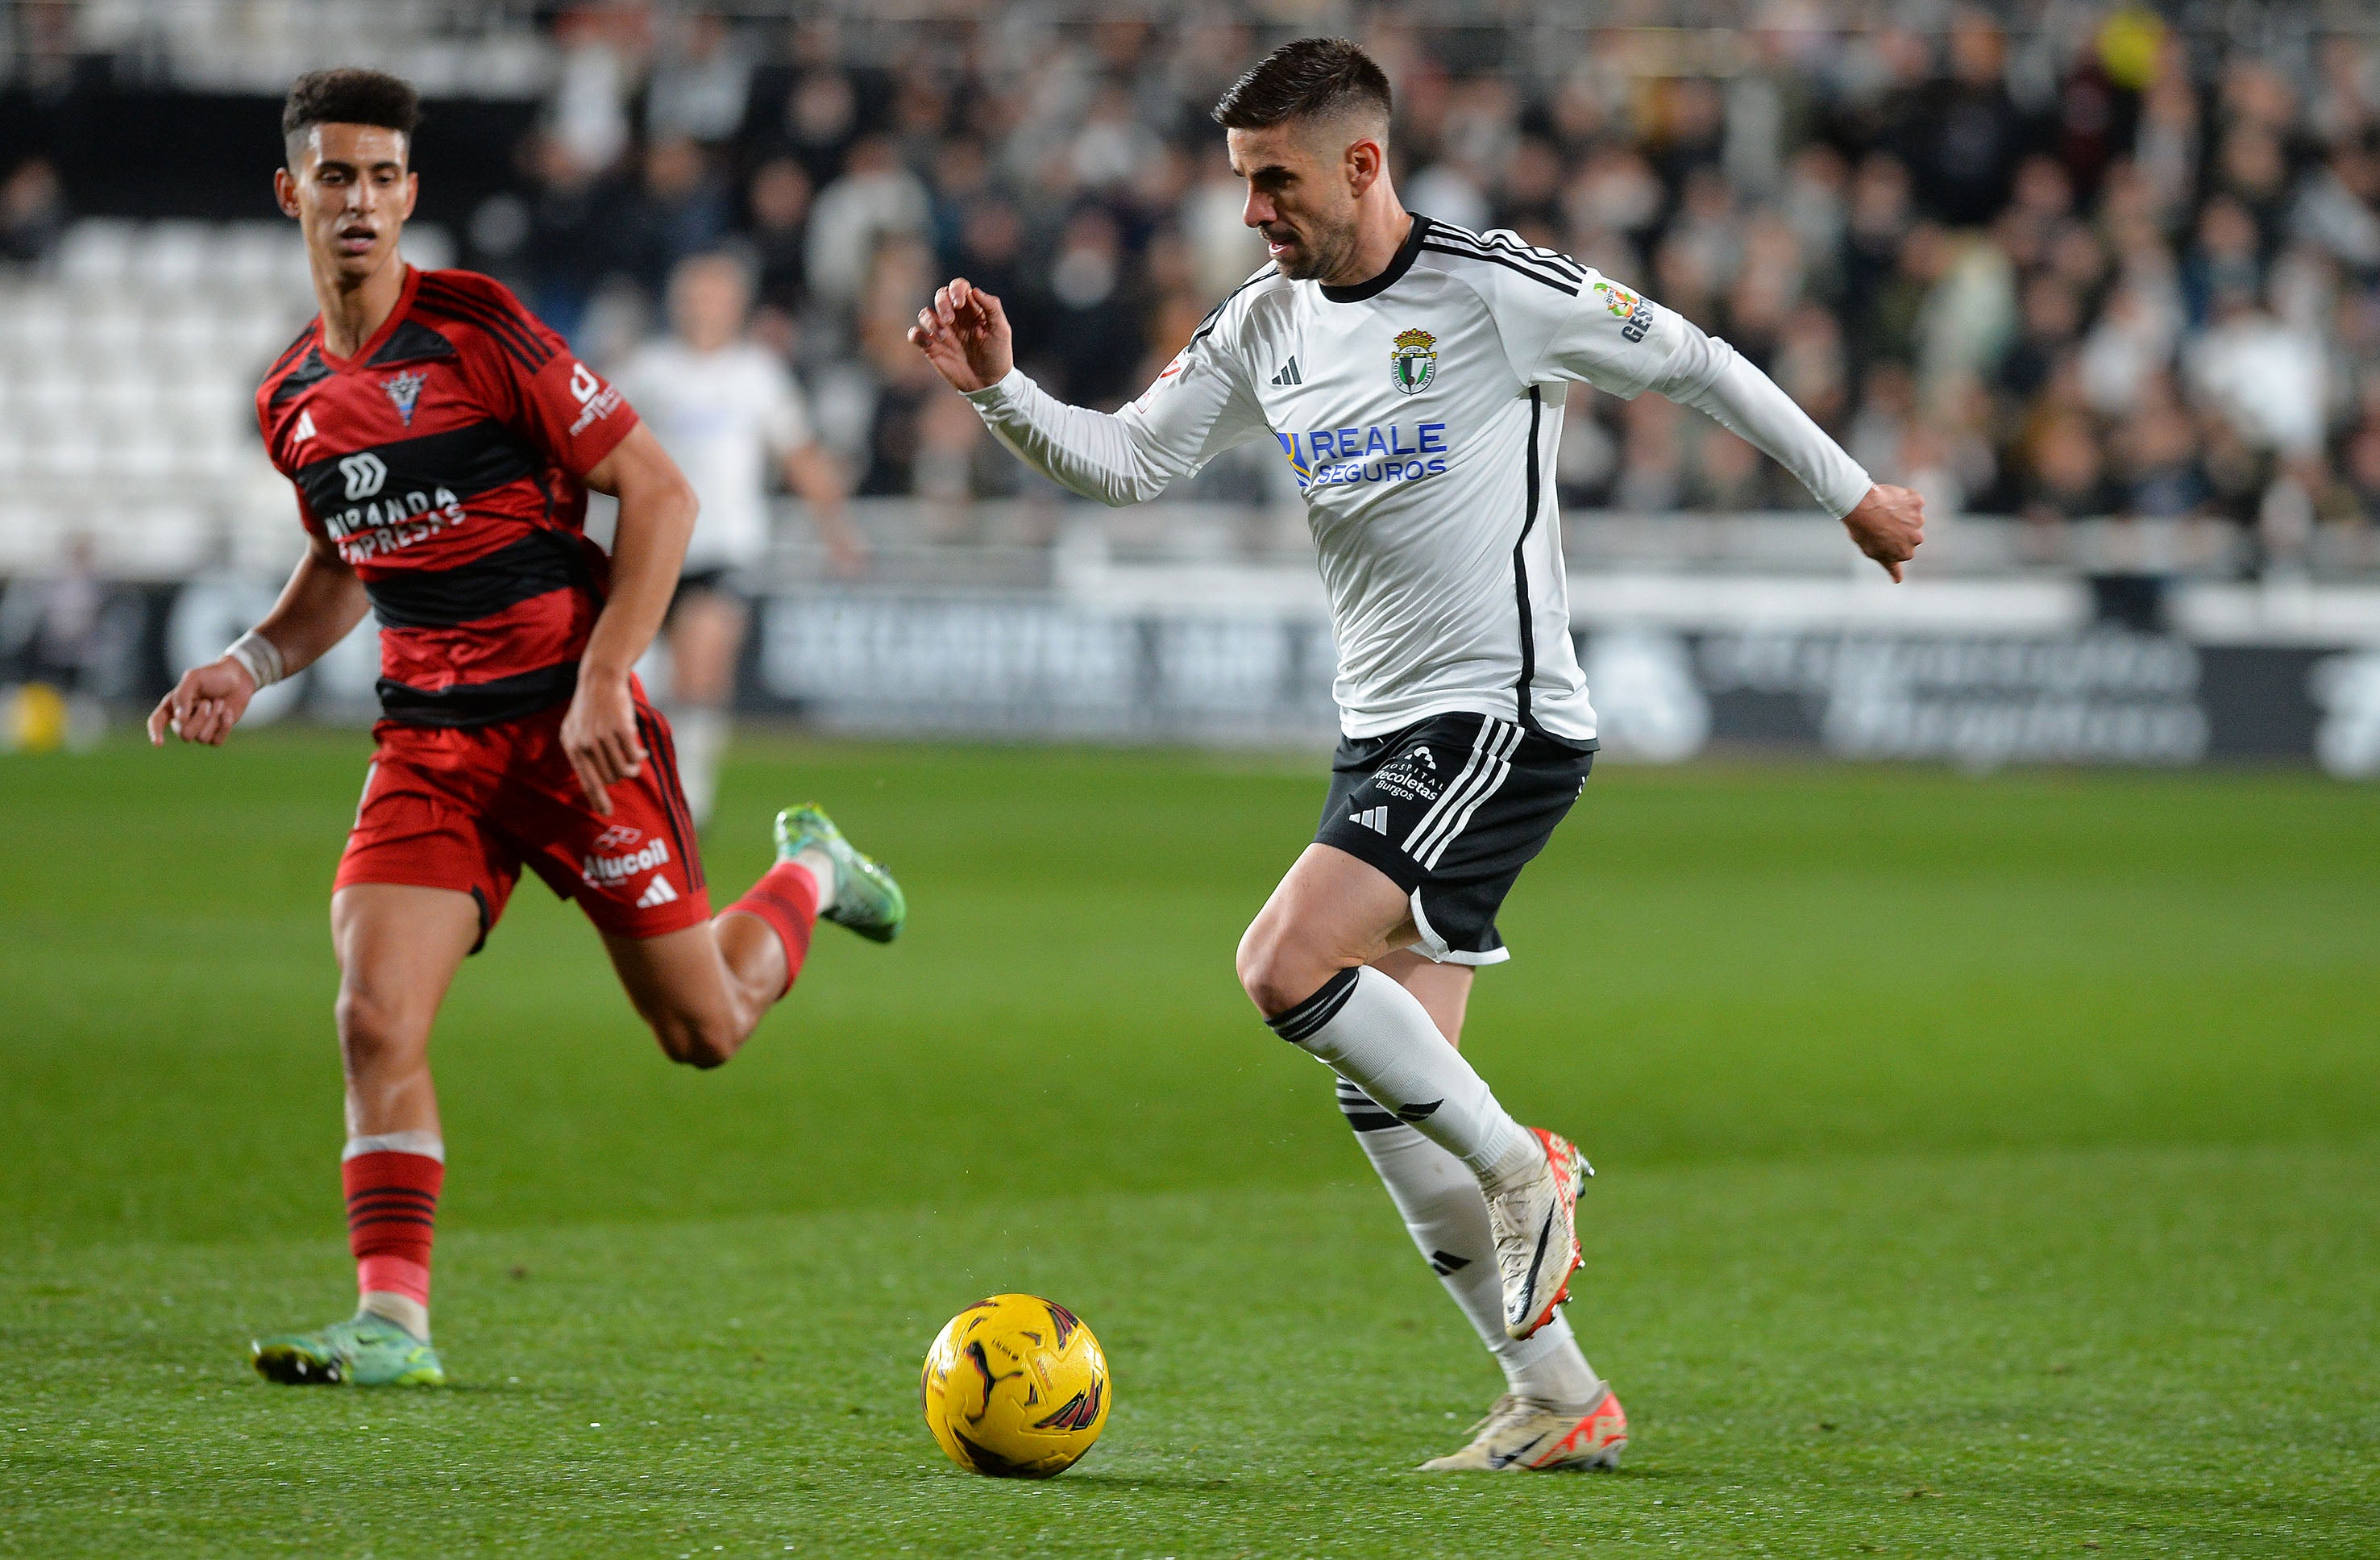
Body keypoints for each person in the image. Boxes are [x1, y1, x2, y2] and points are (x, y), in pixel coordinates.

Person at [908, 38, 1923, 1473]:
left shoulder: (1494, 290)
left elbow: (1697, 364)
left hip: (1498, 718)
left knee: (1279, 963)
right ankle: (1561, 1399)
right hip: (1382, 731)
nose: (1253, 212)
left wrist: (1852, 496)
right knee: (1380, 1091)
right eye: (1240, 184)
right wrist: (999, 392)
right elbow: (1129, 462)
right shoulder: (1262, 324)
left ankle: (1527, 1167)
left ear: (1359, 164)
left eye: (1273, 181)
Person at [147, 69, 908, 1389]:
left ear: (412, 196)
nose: (361, 202)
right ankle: (395, 1322)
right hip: (426, 749)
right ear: (292, 194)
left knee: (704, 1030)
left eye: (384, 177)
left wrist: (608, 675)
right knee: (374, 1018)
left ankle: (811, 872)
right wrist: (248, 660)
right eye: (335, 176)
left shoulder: (481, 331)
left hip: (573, 733)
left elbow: (657, 495)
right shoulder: (292, 401)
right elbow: (343, 564)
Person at [613, 249, 863, 826]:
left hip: (725, 544)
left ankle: (688, 797)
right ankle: (645, 779)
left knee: (704, 662)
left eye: (717, 295)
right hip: (652, 544)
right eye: (697, 294)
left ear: (736, 305)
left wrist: (837, 529)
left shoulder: (757, 375)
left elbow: (799, 453)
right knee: (651, 675)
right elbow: (595, 441)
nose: (705, 306)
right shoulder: (649, 372)